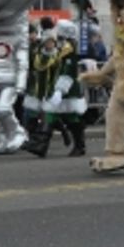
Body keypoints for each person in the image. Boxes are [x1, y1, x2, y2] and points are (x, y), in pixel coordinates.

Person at [27, 20, 87, 158]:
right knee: (51, 113)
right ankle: (40, 145)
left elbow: (67, 71)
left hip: (67, 89)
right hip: (57, 87)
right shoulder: (63, 47)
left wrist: (60, 90)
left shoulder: (69, 48)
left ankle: (79, 145)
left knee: (71, 117)